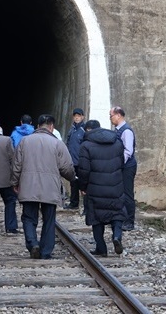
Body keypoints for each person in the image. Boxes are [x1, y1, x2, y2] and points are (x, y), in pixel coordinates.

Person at [11, 114, 76, 259]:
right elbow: (67, 167)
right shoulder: (57, 143)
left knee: (28, 217)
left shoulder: (24, 141)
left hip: (28, 185)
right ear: (51, 127)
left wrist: (15, 182)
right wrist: (72, 178)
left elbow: (16, 165)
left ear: (38, 126)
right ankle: (46, 251)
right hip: (50, 187)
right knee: (49, 219)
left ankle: (33, 243)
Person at [77, 119, 127, 256]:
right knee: (117, 213)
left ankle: (101, 248)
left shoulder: (86, 146)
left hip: (95, 187)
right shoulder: (117, 142)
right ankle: (116, 236)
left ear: (88, 130)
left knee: (96, 217)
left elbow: (83, 170)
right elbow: (121, 163)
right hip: (115, 185)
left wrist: (83, 186)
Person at [109, 106, 138, 231]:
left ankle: (129, 221)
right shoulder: (118, 130)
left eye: (111, 116)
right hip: (122, 166)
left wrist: (119, 164)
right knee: (120, 193)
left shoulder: (126, 131)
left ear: (118, 115)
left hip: (127, 167)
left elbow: (128, 151)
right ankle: (121, 218)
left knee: (127, 194)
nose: (110, 118)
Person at [65, 108, 86, 212]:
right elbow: (68, 143)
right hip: (72, 161)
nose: (77, 117)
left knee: (83, 184)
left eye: (79, 115)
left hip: (81, 162)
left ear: (83, 117)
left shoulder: (84, 130)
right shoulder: (72, 129)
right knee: (73, 183)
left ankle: (86, 207)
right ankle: (74, 203)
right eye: (75, 116)